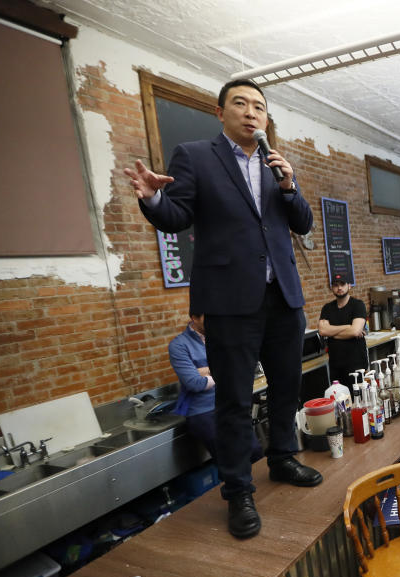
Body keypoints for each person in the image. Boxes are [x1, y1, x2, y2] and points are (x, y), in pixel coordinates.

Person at [125, 78, 320, 538]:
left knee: (287, 385)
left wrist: (290, 185)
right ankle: (238, 491)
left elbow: (303, 223)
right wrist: (153, 197)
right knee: (233, 400)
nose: (252, 113)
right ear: (220, 112)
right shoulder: (195, 156)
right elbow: (176, 217)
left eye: (259, 106)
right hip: (230, 304)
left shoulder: (276, 165)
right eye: (241, 104)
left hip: (283, 298)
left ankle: (283, 458)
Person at [169, 313, 262, 462]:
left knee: (255, 452)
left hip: (230, 403)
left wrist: (206, 370)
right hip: (204, 411)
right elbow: (194, 383)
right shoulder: (179, 345)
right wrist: (225, 370)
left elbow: (242, 366)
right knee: (231, 461)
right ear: (194, 318)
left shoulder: (222, 337)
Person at [318, 274, 368, 389]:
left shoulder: (358, 305)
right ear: (332, 288)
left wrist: (332, 333)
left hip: (356, 364)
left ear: (349, 286)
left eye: (342, 284)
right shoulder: (327, 308)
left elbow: (355, 331)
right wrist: (347, 326)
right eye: (335, 285)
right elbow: (322, 331)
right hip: (335, 365)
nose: (339, 288)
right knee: (340, 401)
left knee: (359, 400)